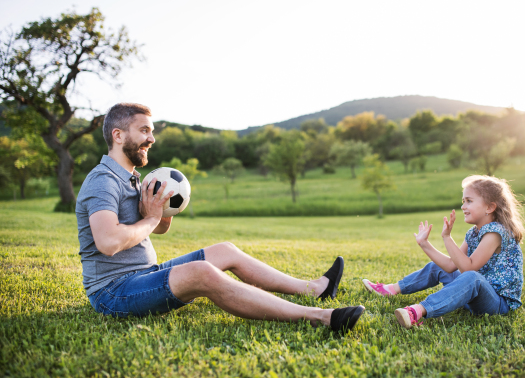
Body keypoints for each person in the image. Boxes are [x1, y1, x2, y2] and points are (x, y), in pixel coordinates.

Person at [76, 103, 364, 332]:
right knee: (201, 273)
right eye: (144, 131)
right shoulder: (103, 181)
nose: (151, 139)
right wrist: (150, 220)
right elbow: (109, 242)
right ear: (118, 135)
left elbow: (155, 230)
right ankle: (318, 317)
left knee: (224, 250)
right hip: (113, 292)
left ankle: (313, 289)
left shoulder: (134, 178)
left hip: (144, 274)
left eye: (151, 132)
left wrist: (161, 214)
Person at [362, 175, 524, 328]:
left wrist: (447, 237)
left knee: (472, 277)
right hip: (473, 296)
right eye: (463, 201)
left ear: (489, 207)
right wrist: (424, 244)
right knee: (437, 267)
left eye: (469, 201)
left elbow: (469, 268)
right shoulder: (473, 233)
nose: (463, 206)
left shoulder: (495, 233)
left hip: (497, 303)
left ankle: (417, 312)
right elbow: (450, 265)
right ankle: (390, 290)